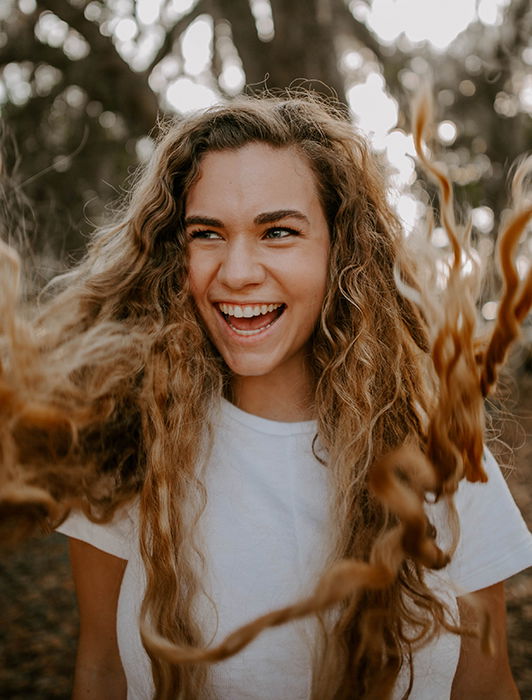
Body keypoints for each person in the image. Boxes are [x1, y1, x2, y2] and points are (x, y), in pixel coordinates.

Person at [2, 93, 531, 699]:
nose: (237, 271)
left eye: (278, 231)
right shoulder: (125, 447)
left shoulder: (445, 459)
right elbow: (100, 671)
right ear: (176, 253)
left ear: (342, 250)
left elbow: (487, 684)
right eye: (207, 234)